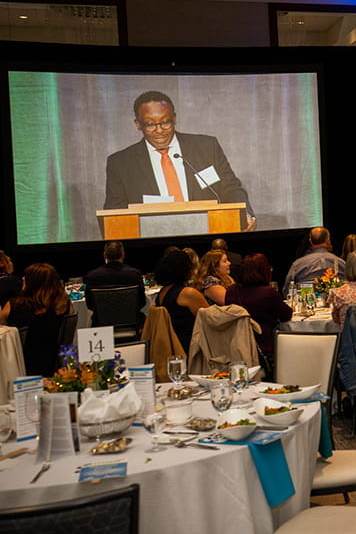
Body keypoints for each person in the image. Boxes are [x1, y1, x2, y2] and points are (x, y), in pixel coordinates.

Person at [104, 90, 255, 230]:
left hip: (208, 235)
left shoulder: (207, 148)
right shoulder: (121, 163)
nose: (159, 130)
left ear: (174, 118)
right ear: (138, 124)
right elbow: (115, 212)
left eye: (165, 122)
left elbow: (231, 188)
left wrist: (245, 214)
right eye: (150, 125)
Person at [0, 263, 75, 376]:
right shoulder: (64, 305)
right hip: (54, 364)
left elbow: (2, 331)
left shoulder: (14, 305)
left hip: (21, 364)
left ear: (30, 282)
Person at [224, 253, 292, 362]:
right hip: (265, 346)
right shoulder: (267, 293)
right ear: (264, 271)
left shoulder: (231, 291)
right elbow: (286, 315)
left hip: (236, 345)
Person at [153, 248, 208, 351]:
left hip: (170, 346)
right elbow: (211, 319)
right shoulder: (187, 293)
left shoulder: (161, 293)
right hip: (191, 346)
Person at [83, 240, 145, 324]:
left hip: (101, 325)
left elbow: (90, 304)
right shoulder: (135, 275)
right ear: (123, 255)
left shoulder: (93, 276)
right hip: (132, 323)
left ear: (104, 255)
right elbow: (142, 302)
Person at [283, 227, 345, 293]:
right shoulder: (341, 263)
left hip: (306, 302)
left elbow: (287, 291)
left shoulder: (297, 265)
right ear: (328, 240)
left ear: (310, 241)